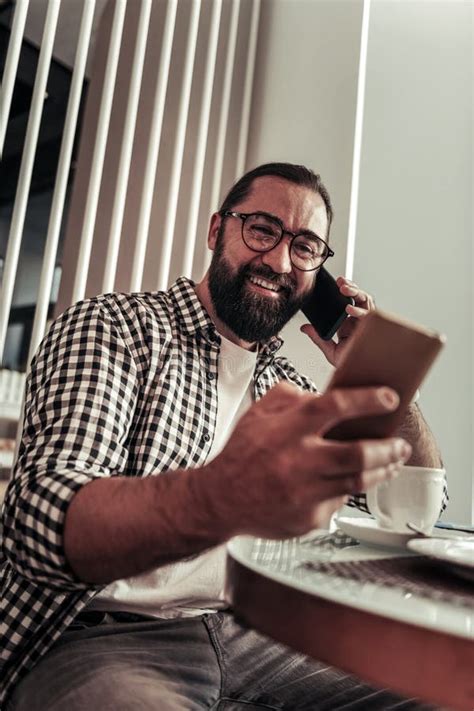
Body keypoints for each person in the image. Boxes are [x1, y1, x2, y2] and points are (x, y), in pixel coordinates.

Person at [1, 163, 444, 710]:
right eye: (262, 229)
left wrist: (390, 384)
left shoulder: (292, 389)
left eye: (305, 247)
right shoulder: (115, 327)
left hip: (262, 634)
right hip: (107, 635)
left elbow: (410, 510)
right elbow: (37, 522)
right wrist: (221, 495)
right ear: (217, 231)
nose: (281, 261)